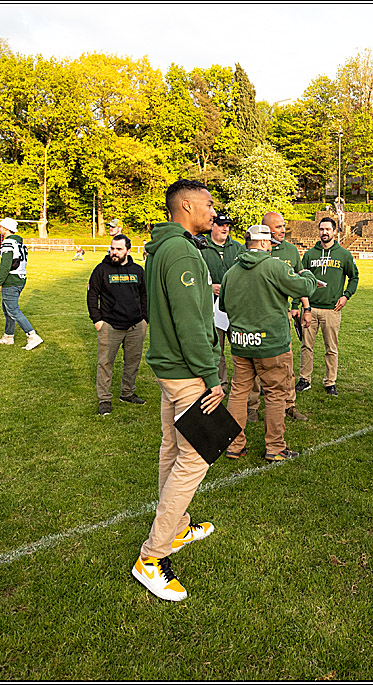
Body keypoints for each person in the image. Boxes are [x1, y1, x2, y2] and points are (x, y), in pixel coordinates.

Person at [132, 179, 222, 602]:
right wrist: (212, 376)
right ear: (186, 206)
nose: (213, 210)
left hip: (169, 369)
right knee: (196, 456)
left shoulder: (162, 249)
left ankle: (179, 523)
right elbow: (190, 324)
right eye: (208, 203)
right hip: (186, 372)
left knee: (172, 446)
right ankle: (152, 556)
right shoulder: (181, 251)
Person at [221, 224, 319, 461]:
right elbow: (305, 287)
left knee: (238, 393)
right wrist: (306, 272)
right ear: (265, 244)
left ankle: (234, 445)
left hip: (240, 343)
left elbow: (223, 305)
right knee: (276, 394)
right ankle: (275, 447)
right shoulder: (274, 266)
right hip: (271, 344)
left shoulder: (231, 272)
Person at [295, 217, 359, 396]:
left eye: (328, 229)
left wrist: (346, 296)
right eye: (322, 229)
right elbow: (300, 280)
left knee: (331, 348)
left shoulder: (344, 255)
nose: (324, 233)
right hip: (310, 309)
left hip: (332, 309)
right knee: (306, 346)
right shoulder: (309, 254)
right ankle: (304, 379)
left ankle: (330, 381)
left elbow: (354, 277)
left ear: (334, 231)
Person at [87, 234, 147, 415]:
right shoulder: (101, 270)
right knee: (105, 363)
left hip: (136, 326)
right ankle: (104, 399)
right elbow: (92, 295)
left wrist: (145, 319)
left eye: (119, 249)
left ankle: (127, 393)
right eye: (112, 248)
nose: (114, 252)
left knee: (132, 362)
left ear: (128, 251)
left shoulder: (137, 270)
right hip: (110, 326)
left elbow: (145, 295)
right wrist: (97, 320)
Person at [262, 211, 309, 422]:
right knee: (256, 364)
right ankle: (253, 406)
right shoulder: (257, 248)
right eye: (278, 227)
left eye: (283, 226)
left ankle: (290, 404)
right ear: (266, 229)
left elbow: (299, 280)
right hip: (259, 317)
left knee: (286, 364)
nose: (283, 230)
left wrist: (301, 307)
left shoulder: (290, 250)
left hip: (282, 317)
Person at [200, 213, 243, 393]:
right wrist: (210, 287)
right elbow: (195, 276)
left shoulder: (238, 248)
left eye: (228, 225)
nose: (225, 228)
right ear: (212, 226)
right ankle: (220, 383)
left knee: (241, 347)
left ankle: (242, 384)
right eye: (221, 225)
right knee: (216, 347)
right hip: (212, 307)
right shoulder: (202, 248)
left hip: (235, 308)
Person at [0, 218, 43, 350]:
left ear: (7, 229)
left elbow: (5, 266)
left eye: (1, 227)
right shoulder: (19, 243)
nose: (0, 229)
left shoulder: (8, 243)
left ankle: (32, 335)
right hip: (20, 278)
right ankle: (8, 336)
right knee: (7, 309)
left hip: (12, 280)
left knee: (12, 310)